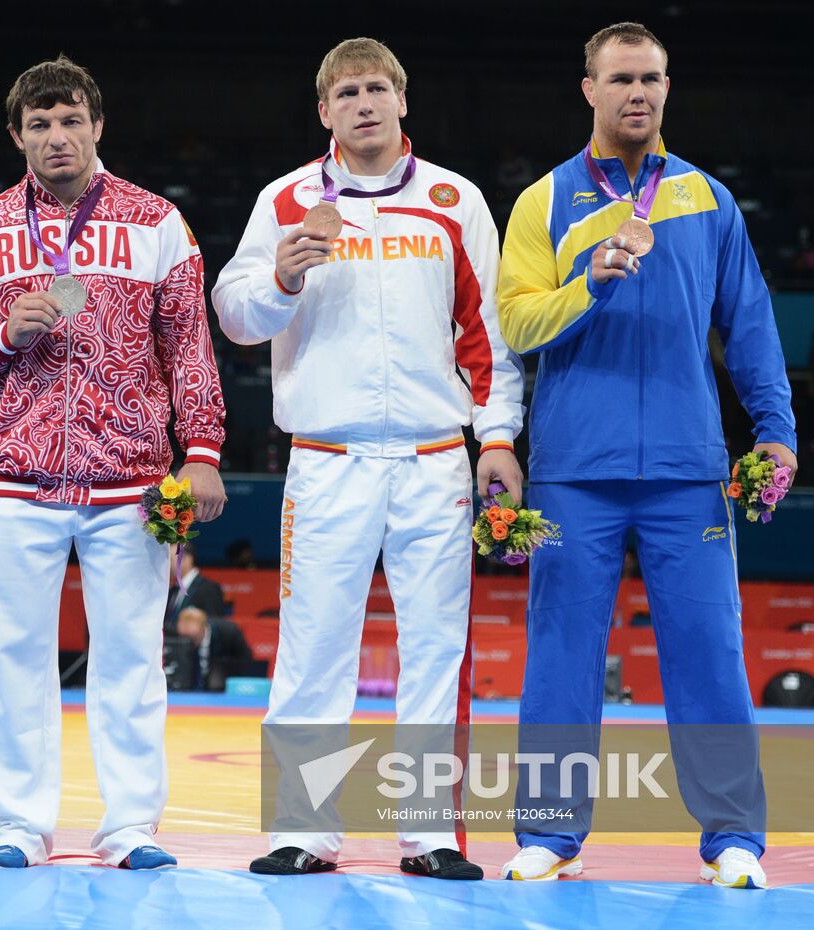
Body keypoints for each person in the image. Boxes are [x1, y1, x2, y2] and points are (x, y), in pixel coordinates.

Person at [494, 23, 798, 889]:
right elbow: (515, 323)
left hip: (686, 469)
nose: (639, 93)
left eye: (652, 78)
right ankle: (549, 835)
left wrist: (775, 428)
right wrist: (588, 284)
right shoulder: (544, 201)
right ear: (588, 88)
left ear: (668, 87)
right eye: (622, 78)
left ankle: (733, 838)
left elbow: (749, 324)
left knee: (709, 651)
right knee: (561, 656)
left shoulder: (707, 199)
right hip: (572, 470)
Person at [212, 37, 524, 880]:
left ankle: (430, 835)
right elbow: (234, 314)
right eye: (346, 92)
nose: (364, 103)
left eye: (377, 88)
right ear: (324, 111)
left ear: (402, 99)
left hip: (434, 456)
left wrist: (497, 436)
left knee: (437, 648)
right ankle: (303, 830)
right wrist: (280, 278)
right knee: (313, 645)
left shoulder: (454, 200)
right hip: (328, 455)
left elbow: (488, 334)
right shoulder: (285, 200)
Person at [0, 55, 227, 872]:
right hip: (16, 478)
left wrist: (202, 451)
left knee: (131, 657)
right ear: (17, 135)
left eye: (70, 121)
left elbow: (189, 345)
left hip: (132, 480)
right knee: (12, 658)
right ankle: (19, 824)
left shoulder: (157, 221)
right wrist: (2, 335)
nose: (56, 136)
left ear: (97, 124)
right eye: (40, 124)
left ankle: (131, 825)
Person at [171, 605, 253, 692]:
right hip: (189, 690)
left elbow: (246, 661)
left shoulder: (229, 632)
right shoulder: (177, 638)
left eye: (193, 637)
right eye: (184, 637)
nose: (189, 641)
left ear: (203, 627)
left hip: (223, 687)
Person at [164, 543, 227, 632]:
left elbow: (215, 626)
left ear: (187, 559)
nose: (167, 565)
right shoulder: (172, 590)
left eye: (171, 559)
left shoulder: (209, 588)